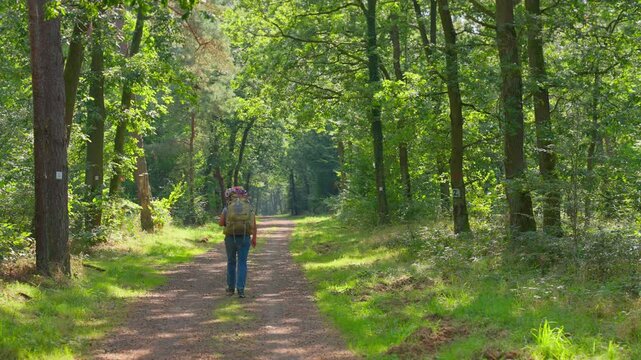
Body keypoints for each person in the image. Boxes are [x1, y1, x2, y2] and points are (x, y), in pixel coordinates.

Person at [218, 186, 257, 298]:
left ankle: (230, 289)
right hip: (245, 237)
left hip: (230, 238)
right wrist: (254, 238)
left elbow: (221, 223)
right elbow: (254, 225)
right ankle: (241, 289)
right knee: (242, 262)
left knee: (231, 262)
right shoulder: (248, 207)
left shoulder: (228, 207)